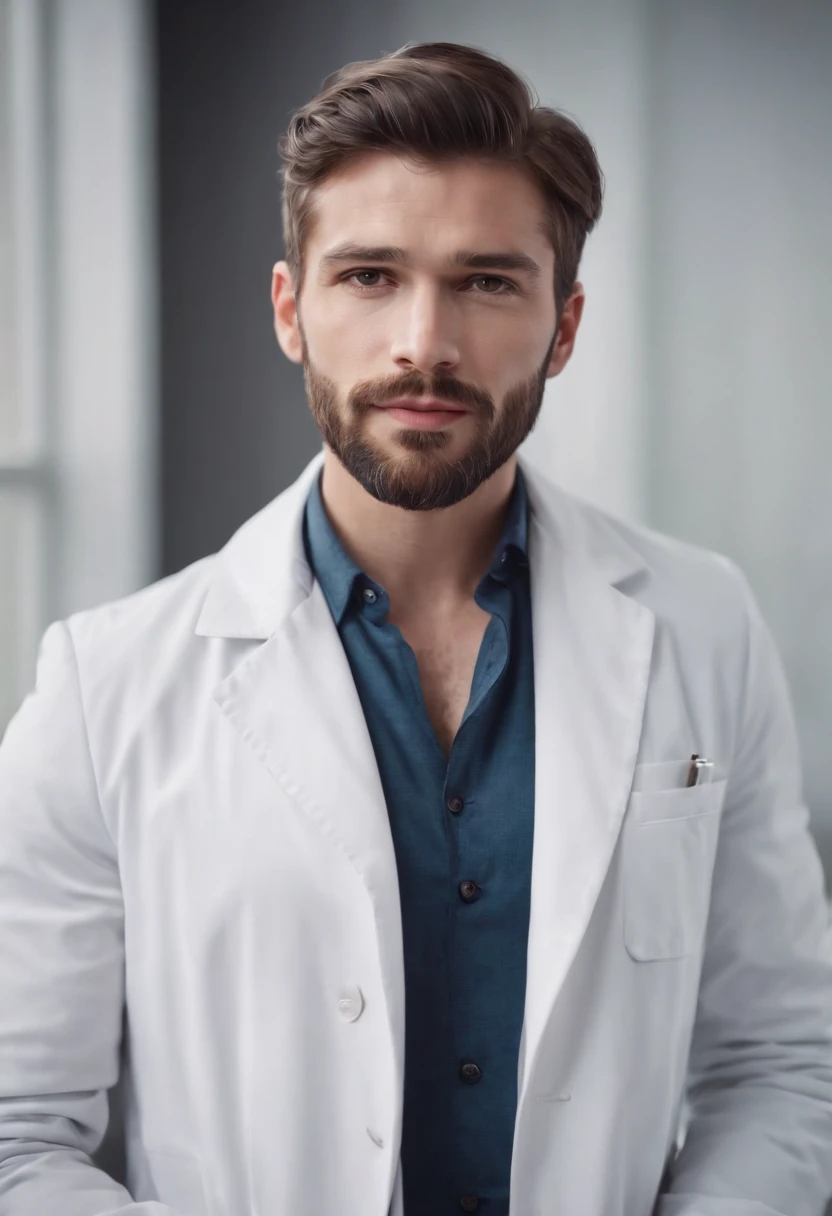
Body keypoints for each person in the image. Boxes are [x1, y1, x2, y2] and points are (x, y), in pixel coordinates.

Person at [0, 38, 830, 1216]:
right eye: (368, 276)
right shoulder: (103, 685)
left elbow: (780, 1063)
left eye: (487, 281)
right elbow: (17, 1132)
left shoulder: (703, 624)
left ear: (565, 325)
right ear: (291, 310)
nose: (423, 345)